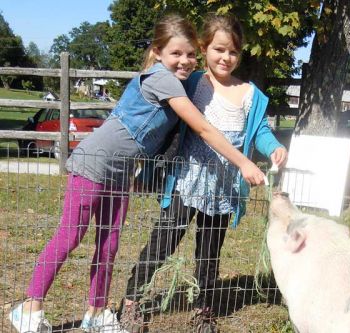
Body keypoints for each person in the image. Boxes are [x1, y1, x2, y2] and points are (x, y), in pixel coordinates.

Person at [8, 14, 266, 333]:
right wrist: (243, 161)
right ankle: (29, 308)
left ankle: (97, 313)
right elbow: (201, 127)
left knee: (109, 244)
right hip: (93, 163)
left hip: (121, 173)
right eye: (176, 53)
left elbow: (166, 137)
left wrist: (148, 172)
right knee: (70, 235)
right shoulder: (162, 79)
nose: (184, 61)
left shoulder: (182, 82)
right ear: (158, 52)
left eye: (190, 55)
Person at [119, 13, 287, 333]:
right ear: (204, 48)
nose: (226, 57)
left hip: (223, 189)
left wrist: (273, 146)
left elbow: (261, 131)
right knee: (163, 242)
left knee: (210, 252)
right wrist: (148, 164)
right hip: (186, 179)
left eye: (234, 51)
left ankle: (203, 310)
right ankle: (131, 302)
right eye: (219, 49)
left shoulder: (250, 94)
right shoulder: (192, 83)